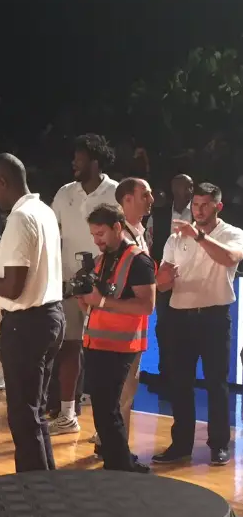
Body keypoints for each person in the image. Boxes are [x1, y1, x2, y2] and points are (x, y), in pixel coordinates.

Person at [0, 153, 64, 471]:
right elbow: (27, 273)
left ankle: (32, 489)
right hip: (50, 315)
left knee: (24, 417)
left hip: (26, 325)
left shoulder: (19, 217)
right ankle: (46, 483)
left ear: (3, 181)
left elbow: (13, 288)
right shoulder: (44, 211)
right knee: (35, 413)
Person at [153, 183, 243, 466]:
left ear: (218, 206)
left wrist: (199, 237)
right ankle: (181, 445)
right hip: (179, 317)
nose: (199, 210)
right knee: (180, 383)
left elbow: (230, 258)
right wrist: (163, 278)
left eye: (205, 205)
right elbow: (162, 284)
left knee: (216, 383)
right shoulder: (175, 237)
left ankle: (219, 444)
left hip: (215, 316)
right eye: (195, 205)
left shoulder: (233, 233)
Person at [78, 205, 155, 473]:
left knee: (109, 409)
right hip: (96, 343)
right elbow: (91, 307)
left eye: (100, 234)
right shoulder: (100, 261)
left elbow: (147, 306)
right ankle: (120, 462)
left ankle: (120, 465)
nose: (96, 240)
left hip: (121, 346)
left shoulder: (139, 261)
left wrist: (100, 301)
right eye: (93, 235)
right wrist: (84, 298)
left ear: (117, 228)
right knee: (103, 409)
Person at [48, 134, 117, 435]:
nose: (74, 163)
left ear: (95, 161)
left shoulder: (115, 192)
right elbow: (51, 234)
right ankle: (67, 414)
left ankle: (108, 425)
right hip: (68, 284)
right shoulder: (65, 193)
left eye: (80, 158)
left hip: (105, 285)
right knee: (69, 348)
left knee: (106, 355)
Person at [147, 173, 194, 394]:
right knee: (164, 328)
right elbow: (149, 245)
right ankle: (165, 376)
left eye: (189, 187)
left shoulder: (199, 213)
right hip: (164, 280)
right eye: (181, 186)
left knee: (187, 331)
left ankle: (184, 381)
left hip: (192, 281)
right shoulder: (159, 214)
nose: (186, 190)